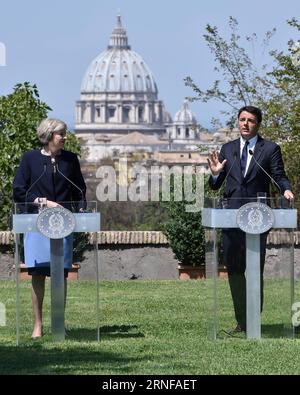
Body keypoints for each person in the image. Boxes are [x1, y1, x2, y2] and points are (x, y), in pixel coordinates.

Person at [207, 105, 294, 333]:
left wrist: (286, 190)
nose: (245, 124)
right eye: (242, 120)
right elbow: (216, 185)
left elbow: (278, 175)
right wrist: (215, 174)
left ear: (258, 124)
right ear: (238, 122)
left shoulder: (270, 149)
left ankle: (253, 318)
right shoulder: (228, 149)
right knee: (234, 270)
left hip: (257, 217)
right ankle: (242, 320)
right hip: (231, 218)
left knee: (254, 269)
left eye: (251, 120)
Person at [13, 118, 86, 338]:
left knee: (60, 275)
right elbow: (19, 190)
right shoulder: (30, 159)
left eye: (64, 134)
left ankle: (59, 324)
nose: (65, 138)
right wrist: (41, 202)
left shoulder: (70, 160)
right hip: (36, 224)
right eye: (61, 134)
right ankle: (38, 325)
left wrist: (81, 209)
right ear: (48, 135)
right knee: (38, 274)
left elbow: (80, 190)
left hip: (63, 224)